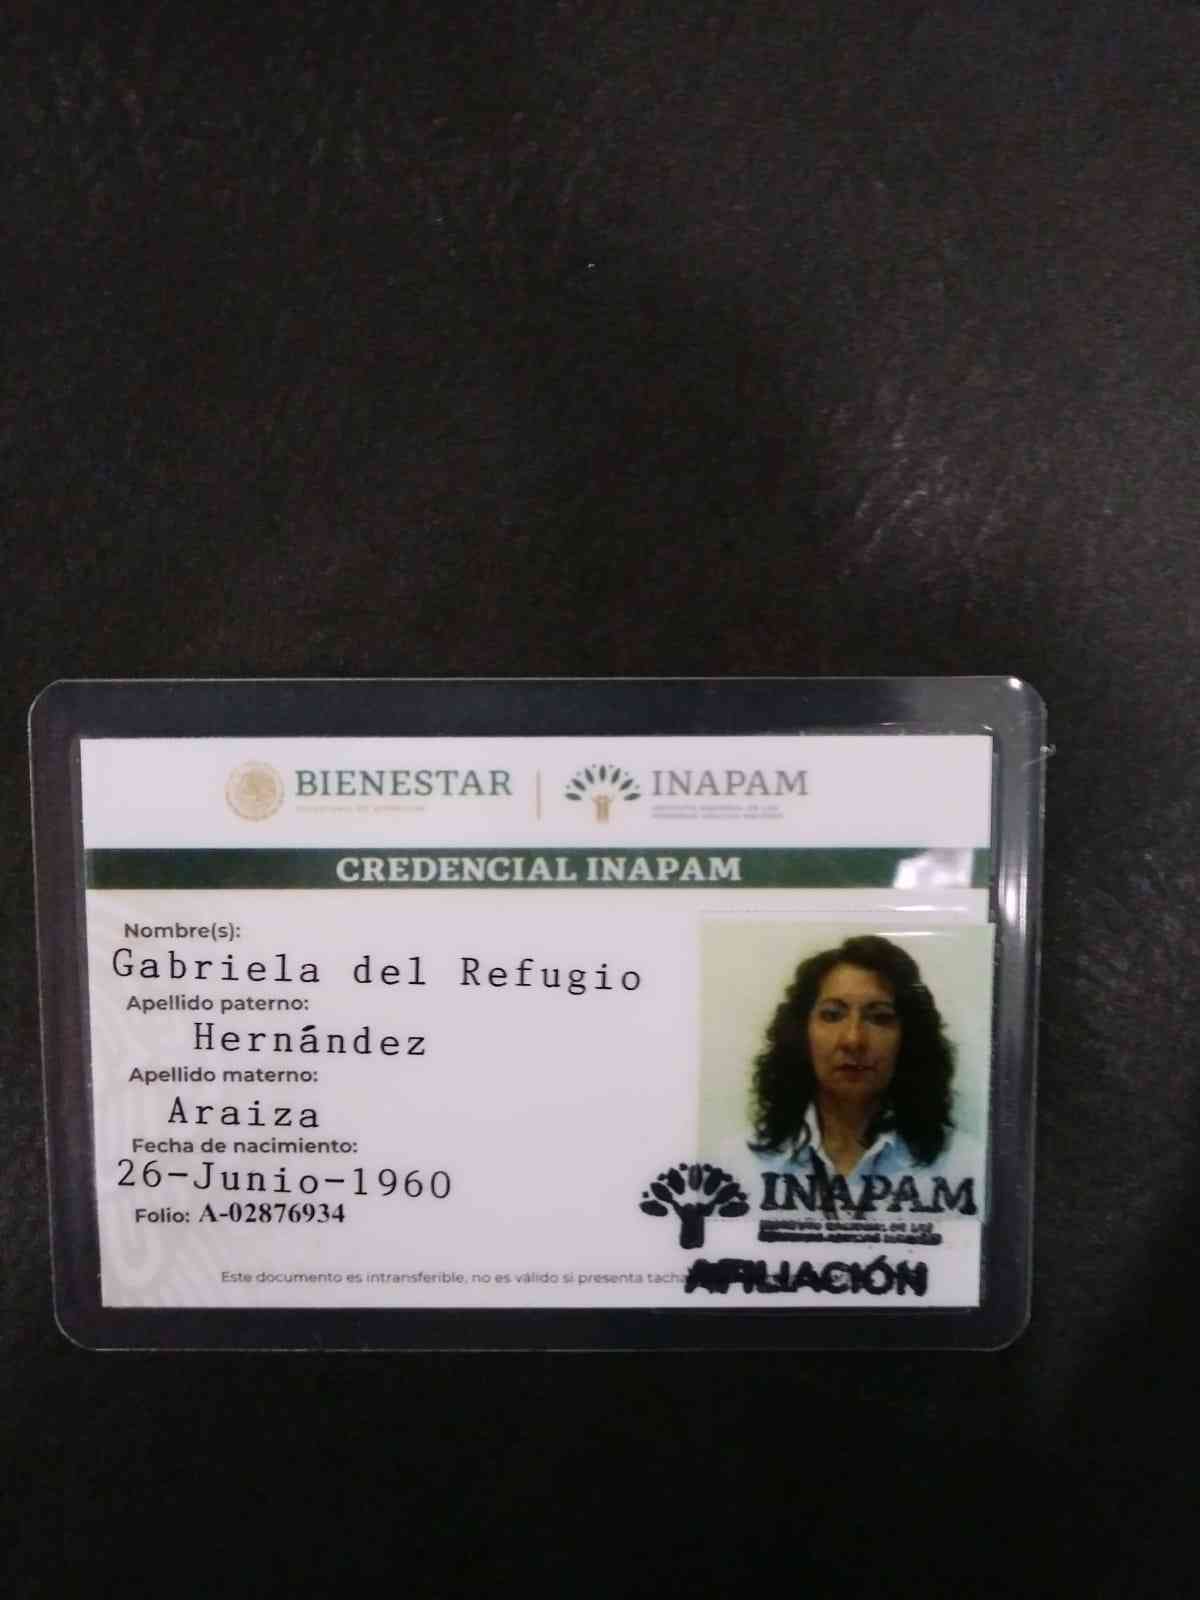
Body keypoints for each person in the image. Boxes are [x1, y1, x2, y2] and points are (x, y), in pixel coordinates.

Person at [747, 934, 980, 1187]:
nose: (853, 1040)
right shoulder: (740, 1167)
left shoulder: (968, 1168)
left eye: (879, 1018)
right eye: (832, 1015)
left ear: (909, 1037)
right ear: (801, 1032)